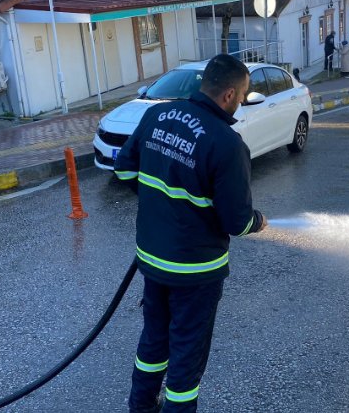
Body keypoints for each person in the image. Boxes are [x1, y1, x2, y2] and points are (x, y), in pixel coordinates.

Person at [114, 54, 268, 412]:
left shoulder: (156, 115)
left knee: (153, 341)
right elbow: (237, 222)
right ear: (229, 94)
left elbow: (124, 170)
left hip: (152, 259)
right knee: (186, 354)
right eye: (243, 96)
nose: (242, 103)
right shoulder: (227, 144)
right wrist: (259, 221)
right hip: (195, 273)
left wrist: (161, 201)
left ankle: (140, 407)